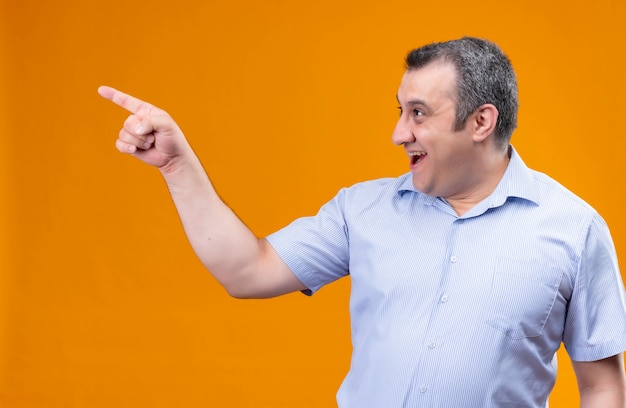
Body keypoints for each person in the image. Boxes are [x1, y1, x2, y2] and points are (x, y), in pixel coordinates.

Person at [98, 37, 626, 407]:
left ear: (481, 122)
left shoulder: (573, 230)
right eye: (398, 111)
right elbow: (246, 271)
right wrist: (175, 164)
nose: (399, 133)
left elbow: (602, 386)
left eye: (418, 113)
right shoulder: (363, 211)